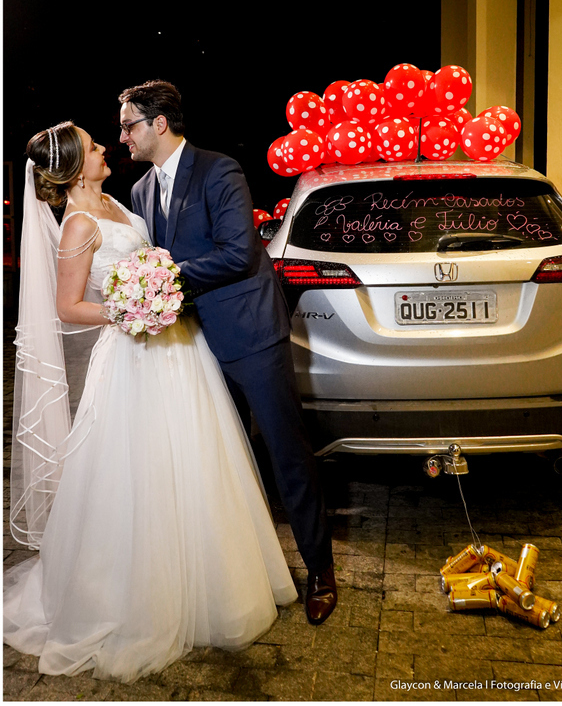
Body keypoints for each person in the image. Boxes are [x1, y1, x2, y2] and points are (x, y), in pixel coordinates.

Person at [4, 121, 298, 682]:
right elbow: (68, 306)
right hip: (132, 355)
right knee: (139, 471)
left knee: (195, 459)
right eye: (93, 146)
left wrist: (157, 296)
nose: (104, 148)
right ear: (74, 168)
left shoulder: (119, 201)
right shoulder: (78, 225)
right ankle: (137, 596)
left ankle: (211, 580)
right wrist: (132, 309)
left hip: (178, 349)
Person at [119, 79, 337, 625]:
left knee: (286, 453)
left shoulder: (218, 170)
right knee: (223, 460)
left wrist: (164, 275)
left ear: (158, 123)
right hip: (190, 346)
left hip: (249, 334)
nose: (122, 137)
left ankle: (321, 570)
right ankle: (244, 575)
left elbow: (239, 252)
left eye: (128, 125)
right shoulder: (141, 191)